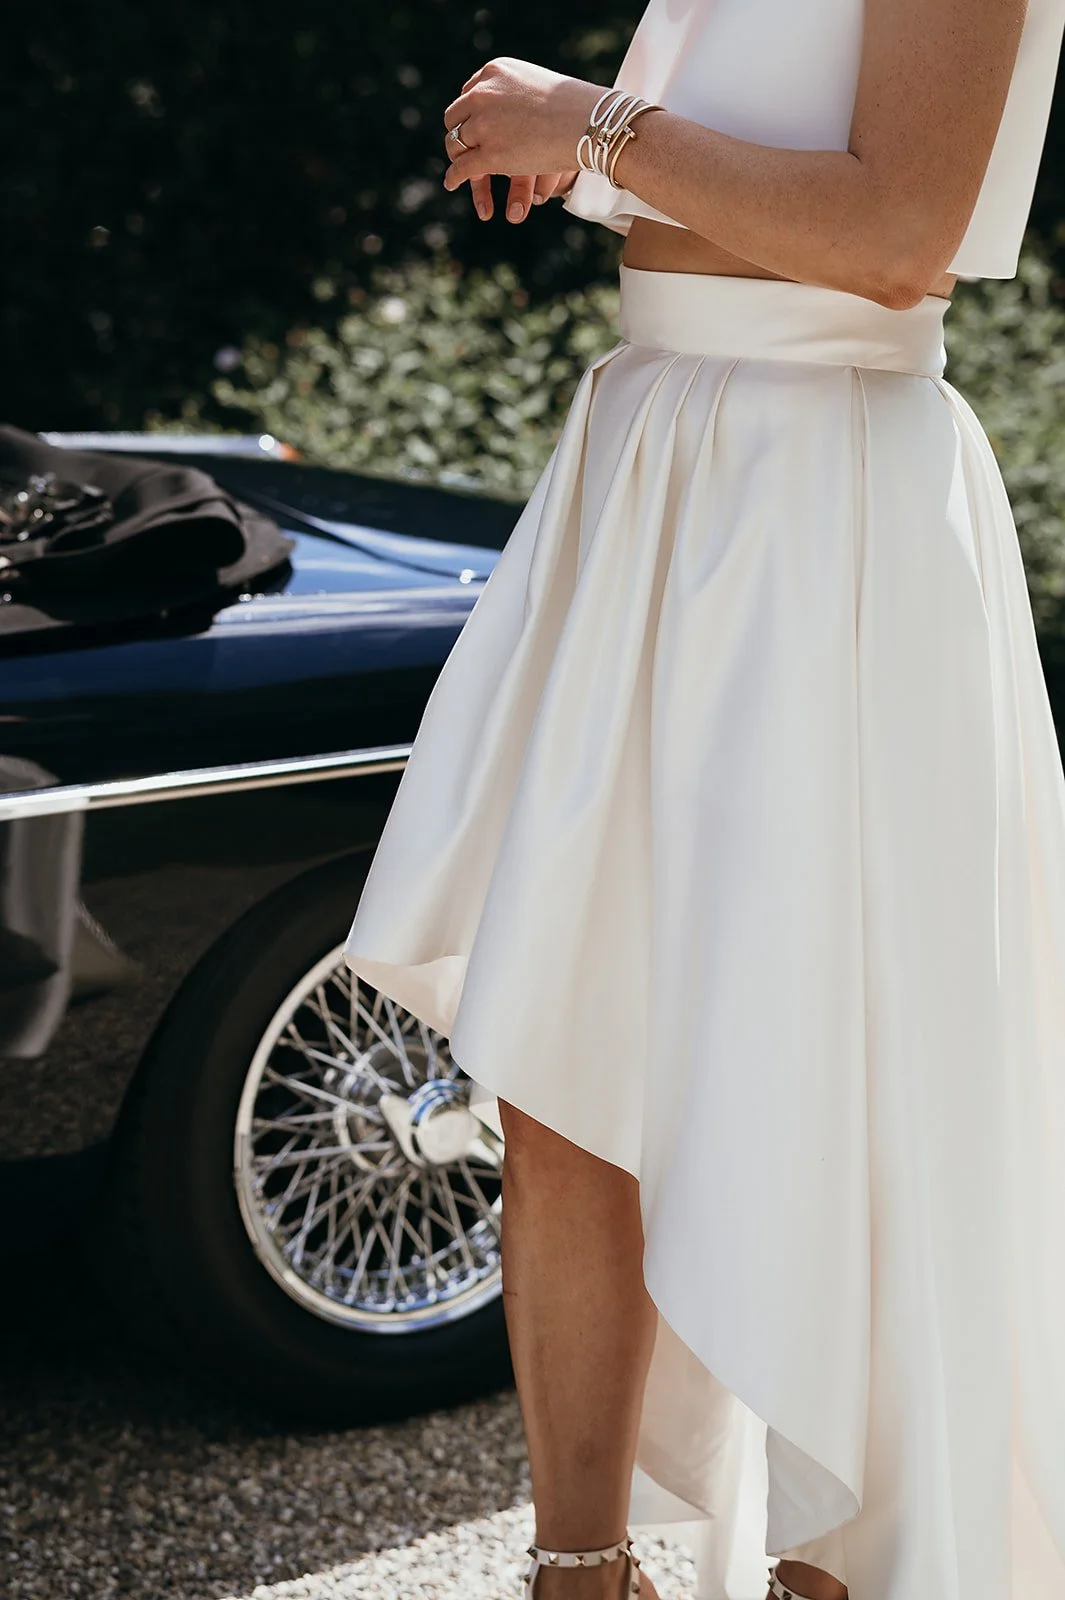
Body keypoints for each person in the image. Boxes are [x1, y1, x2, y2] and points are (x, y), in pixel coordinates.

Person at [343, 2, 1065, 1597]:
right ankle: (580, 1573)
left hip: (825, 502)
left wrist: (589, 127)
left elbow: (897, 231)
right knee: (567, 1042)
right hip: (654, 457)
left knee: (838, 1064)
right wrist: (576, 146)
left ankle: (848, 1566)